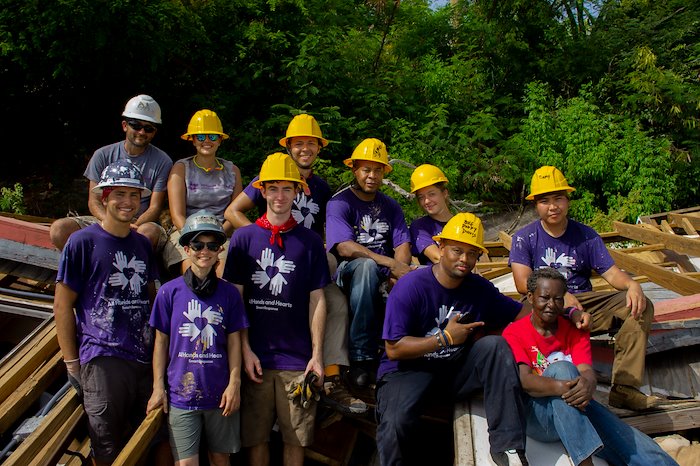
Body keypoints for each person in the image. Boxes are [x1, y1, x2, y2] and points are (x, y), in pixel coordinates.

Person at [225, 114, 365, 415]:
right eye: (298, 144)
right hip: (269, 253)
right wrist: (259, 234)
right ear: (288, 146)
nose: (305, 149)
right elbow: (234, 211)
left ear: (319, 148)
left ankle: (330, 376)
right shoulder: (272, 175)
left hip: (305, 257)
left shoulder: (323, 188)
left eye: (311, 144)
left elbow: (324, 232)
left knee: (336, 303)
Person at [376, 213, 529, 466]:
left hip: (454, 371)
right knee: (394, 423)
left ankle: (509, 449)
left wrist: (565, 312)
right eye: (457, 250)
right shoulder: (411, 287)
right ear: (441, 247)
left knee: (495, 346)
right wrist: (445, 338)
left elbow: (523, 314)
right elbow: (394, 349)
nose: (464, 259)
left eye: (472, 254)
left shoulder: (479, 289)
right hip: (408, 370)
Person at [509, 166, 657, 411]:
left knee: (638, 305)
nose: (552, 206)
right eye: (545, 201)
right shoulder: (525, 238)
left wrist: (632, 285)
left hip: (583, 303)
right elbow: (522, 282)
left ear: (567, 200)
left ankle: (625, 388)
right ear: (536, 205)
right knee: (529, 310)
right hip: (545, 306)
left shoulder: (586, 236)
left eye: (558, 199)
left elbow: (611, 274)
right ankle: (543, 384)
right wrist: (561, 297)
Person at [502, 268, 678, 466]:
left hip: (574, 407)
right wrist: (565, 387)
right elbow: (526, 381)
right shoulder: (514, 332)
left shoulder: (575, 328)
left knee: (634, 443)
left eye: (558, 299)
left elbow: (587, 371)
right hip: (538, 417)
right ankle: (585, 463)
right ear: (531, 297)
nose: (551, 305)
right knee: (562, 368)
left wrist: (589, 383)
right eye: (545, 298)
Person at [223, 152, 329, 466]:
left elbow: (317, 301)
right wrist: (244, 350)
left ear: (297, 192)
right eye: (273, 189)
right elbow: (235, 301)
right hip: (256, 359)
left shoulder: (310, 242)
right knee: (256, 440)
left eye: (287, 189)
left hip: (297, 362)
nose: (279, 196)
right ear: (263, 191)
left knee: (295, 440)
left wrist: (317, 355)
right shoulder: (243, 239)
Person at [54, 160, 159, 465]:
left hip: (142, 356)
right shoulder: (82, 243)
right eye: (120, 195)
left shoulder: (141, 243)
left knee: (150, 440)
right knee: (106, 444)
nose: (128, 202)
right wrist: (72, 363)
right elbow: (62, 305)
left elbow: (149, 296)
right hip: (103, 357)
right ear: (104, 198)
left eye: (134, 195)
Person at [148, 211, 249, 466]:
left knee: (220, 459)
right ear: (186, 248)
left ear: (219, 250)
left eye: (212, 246)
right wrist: (158, 386)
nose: (205, 251)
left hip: (220, 394)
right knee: (185, 463)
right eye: (198, 245)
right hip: (182, 395)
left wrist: (234, 383)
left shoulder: (229, 294)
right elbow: (161, 342)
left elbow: (235, 341)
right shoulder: (169, 293)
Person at [325, 138, 413, 387]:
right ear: (354, 170)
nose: (372, 176)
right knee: (366, 267)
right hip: (349, 272)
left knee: (421, 278)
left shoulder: (390, 205)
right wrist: (390, 264)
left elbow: (403, 245)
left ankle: (406, 352)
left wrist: (398, 273)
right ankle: (361, 358)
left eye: (377, 170)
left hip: (384, 270)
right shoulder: (339, 203)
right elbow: (344, 247)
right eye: (366, 169)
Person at [50, 94, 173, 251]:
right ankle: (86, 271)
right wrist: (109, 222)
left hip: (140, 222)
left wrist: (131, 225)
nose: (141, 132)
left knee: (147, 233)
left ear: (154, 132)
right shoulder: (102, 155)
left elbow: (154, 207)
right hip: (104, 218)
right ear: (124, 125)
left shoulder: (163, 161)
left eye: (148, 128)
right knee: (59, 229)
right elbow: (94, 200)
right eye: (135, 125)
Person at [163, 109, 243, 277]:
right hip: (185, 232)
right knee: (191, 270)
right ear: (192, 140)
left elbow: (235, 213)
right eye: (200, 137)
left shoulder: (233, 170)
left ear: (220, 140)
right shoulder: (181, 168)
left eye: (212, 137)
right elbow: (177, 214)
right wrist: (194, 239)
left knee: (224, 270)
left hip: (223, 233)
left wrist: (217, 236)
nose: (206, 141)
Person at [408, 164, 452, 265]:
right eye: (421, 197)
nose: (427, 201)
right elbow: (438, 258)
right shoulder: (419, 227)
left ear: (444, 193)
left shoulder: (461, 223)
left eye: (432, 194)